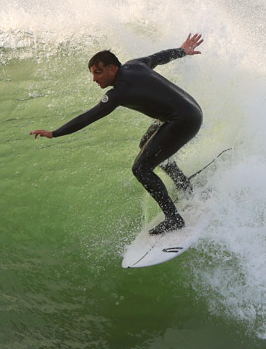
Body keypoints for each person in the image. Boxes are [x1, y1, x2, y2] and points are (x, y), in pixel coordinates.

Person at [30, 33, 205, 235]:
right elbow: (158, 57)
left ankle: (173, 218)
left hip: (183, 120)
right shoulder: (135, 65)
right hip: (192, 110)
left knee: (141, 168)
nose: (94, 79)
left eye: (98, 72)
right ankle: (184, 185)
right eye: (93, 74)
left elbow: (88, 117)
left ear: (113, 69)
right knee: (146, 144)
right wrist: (182, 51)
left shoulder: (119, 92)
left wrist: (54, 133)